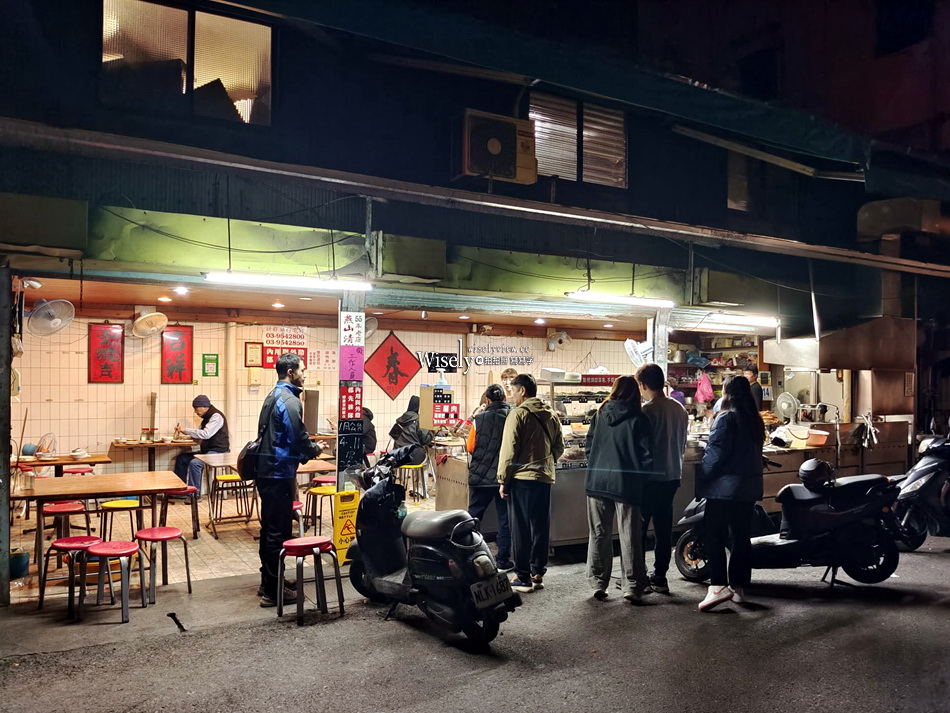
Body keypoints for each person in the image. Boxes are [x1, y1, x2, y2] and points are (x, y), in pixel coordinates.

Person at [255, 353, 328, 607]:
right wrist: (314, 449)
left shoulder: (272, 396)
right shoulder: (289, 400)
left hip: (266, 471)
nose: (304, 374)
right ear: (290, 372)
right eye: (302, 370)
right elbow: (297, 436)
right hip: (278, 473)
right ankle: (273, 592)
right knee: (278, 532)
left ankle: (269, 581)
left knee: (269, 529)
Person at [584, 375, 654, 602]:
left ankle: (598, 583)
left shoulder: (599, 414)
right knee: (629, 535)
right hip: (627, 484)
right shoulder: (639, 419)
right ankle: (632, 586)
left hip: (597, 482)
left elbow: (588, 447)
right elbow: (646, 456)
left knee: (599, 533)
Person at [698, 376, 765, 612]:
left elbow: (715, 454)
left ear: (728, 393)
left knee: (713, 534)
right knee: (740, 537)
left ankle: (718, 585)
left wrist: (702, 476)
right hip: (748, 488)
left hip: (724, 489)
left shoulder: (726, 418)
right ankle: (738, 588)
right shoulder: (754, 420)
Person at [497, 373, 564, 593]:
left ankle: (523, 576)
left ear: (523, 391)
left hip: (522, 480)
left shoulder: (518, 414)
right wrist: (546, 462)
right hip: (544, 479)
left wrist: (503, 480)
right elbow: (559, 446)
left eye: (514, 391)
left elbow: (509, 451)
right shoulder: (550, 414)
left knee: (521, 528)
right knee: (540, 526)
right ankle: (538, 573)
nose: (512, 396)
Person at [636, 364, 689, 594]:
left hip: (650, 479)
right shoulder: (679, 409)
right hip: (673, 476)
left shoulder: (647, 411)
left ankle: (639, 576)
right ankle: (660, 576)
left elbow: (640, 448)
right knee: (663, 529)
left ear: (642, 384)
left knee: (639, 529)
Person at [466, 384, 513, 572]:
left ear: (487, 400)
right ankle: (503, 561)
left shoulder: (479, 419)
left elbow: (470, 447)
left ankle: (469, 555)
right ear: (505, 398)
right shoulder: (512, 417)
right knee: (505, 519)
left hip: (481, 475)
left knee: (473, 517)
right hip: (504, 476)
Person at [173, 395, 229, 498]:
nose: (195, 412)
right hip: (208, 452)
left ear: (204, 407)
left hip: (218, 452)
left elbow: (205, 434)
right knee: (182, 459)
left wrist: (185, 430)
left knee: (195, 463)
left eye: (196, 408)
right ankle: (181, 491)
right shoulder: (206, 419)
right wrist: (185, 437)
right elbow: (199, 434)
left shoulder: (216, 416)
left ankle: (194, 495)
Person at [389, 395, 433, 466]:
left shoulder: (399, 421)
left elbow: (393, 437)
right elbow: (425, 440)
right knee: (428, 458)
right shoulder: (419, 421)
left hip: (398, 457)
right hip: (414, 457)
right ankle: (421, 474)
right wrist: (432, 433)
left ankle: (402, 474)